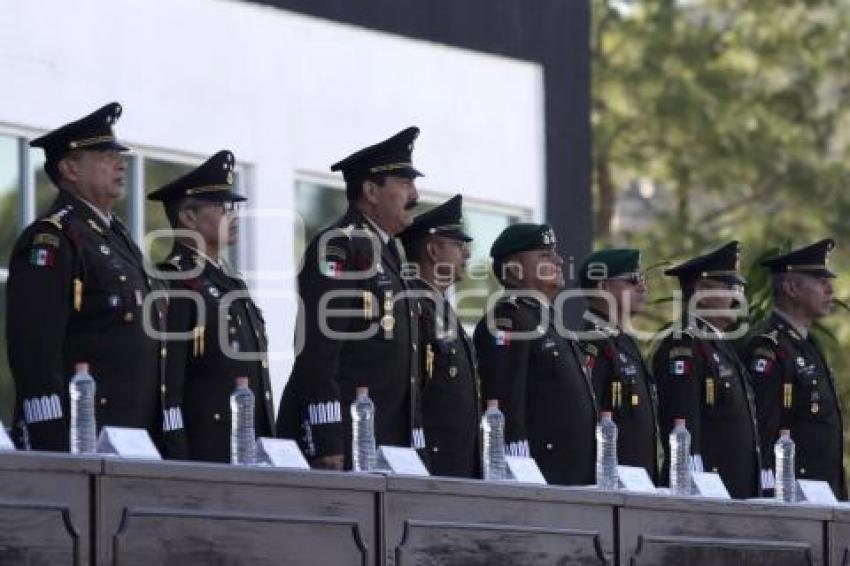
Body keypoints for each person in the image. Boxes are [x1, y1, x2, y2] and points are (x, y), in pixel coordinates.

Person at [6, 102, 166, 450]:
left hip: (133, 440)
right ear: (70, 169)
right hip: (82, 439)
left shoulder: (117, 237)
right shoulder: (54, 237)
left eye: (118, 155)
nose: (120, 164)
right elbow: (35, 350)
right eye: (105, 156)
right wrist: (49, 435)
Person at [277, 127, 424, 470]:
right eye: (404, 183)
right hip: (345, 444)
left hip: (383, 444)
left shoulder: (387, 252)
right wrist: (327, 436)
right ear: (371, 191)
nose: (415, 194)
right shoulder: (340, 246)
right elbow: (318, 351)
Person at [148, 150, 275, 462]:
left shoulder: (232, 282)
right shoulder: (176, 281)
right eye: (222, 207)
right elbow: (169, 386)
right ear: (188, 217)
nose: (233, 215)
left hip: (246, 450)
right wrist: (177, 457)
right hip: (206, 452)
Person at [474, 223, 596, 485]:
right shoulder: (509, 319)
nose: (558, 260)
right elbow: (503, 401)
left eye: (555, 252)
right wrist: (515, 466)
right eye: (544, 255)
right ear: (514, 270)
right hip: (539, 474)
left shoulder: (550, 320)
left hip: (573, 474)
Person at [651, 241, 761, 499]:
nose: (739, 298)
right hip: (707, 495)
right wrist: (693, 488)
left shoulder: (719, 346)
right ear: (700, 290)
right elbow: (682, 430)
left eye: (740, 288)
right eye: (731, 288)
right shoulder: (684, 346)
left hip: (735, 492)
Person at [743, 239, 846, 499]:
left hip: (822, 490)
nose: (830, 290)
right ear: (791, 287)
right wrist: (769, 494)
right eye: (821, 282)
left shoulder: (808, 344)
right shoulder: (769, 348)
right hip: (791, 494)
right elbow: (764, 432)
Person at [399, 194, 480, 478]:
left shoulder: (438, 306)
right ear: (432, 251)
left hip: (456, 464)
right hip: (429, 464)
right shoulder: (412, 306)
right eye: (458, 245)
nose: (467, 254)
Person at [578, 248, 659, 483]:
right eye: (633, 281)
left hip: (638, 481)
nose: (643, 288)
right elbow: (587, 422)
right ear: (603, 287)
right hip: (611, 484)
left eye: (642, 280)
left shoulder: (624, 342)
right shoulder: (591, 342)